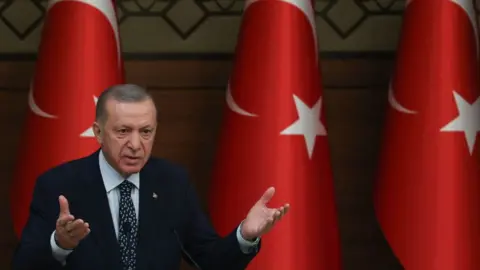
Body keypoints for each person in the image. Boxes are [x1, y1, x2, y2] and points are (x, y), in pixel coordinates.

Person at [11, 84, 290, 270]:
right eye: (123, 131)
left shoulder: (173, 183)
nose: (135, 144)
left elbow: (210, 261)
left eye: (146, 132)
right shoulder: (59, 185)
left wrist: (245, 235)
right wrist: (60, 245)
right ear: (98, 133)